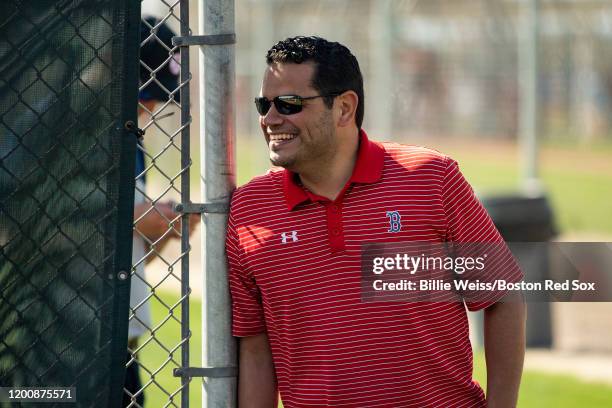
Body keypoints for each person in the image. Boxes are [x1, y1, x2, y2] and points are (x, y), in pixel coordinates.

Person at [226, 36, 526, 407]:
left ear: (344, 108)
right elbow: (257, 352)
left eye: (288, 104)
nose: (270, 119)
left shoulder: (431, 178)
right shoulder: (249, 208)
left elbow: (503, 295)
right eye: (263, 104)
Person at [124, 16, 198, 407]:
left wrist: (164, 228)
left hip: (120, 340)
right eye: (144, 92)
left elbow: (133, 259)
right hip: (63, 334)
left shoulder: (131, 144)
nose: (152, 106)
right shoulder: (69, 137)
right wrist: (136, 215)